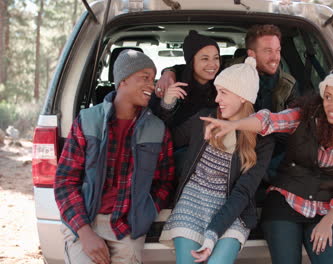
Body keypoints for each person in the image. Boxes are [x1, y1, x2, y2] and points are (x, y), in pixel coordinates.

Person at [201, 69, 333, 264]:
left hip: (323, 210)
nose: (332, 105)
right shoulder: (305, 116)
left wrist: (329, 221)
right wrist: (236, 125)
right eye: (328, 97)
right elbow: (269, 121)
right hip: (285, 201)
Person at [54, 49, 176, 264]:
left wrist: (146, 212)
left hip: (127, 227)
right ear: (122, 81)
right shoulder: (87, 121)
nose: (152, 85)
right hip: (85, 222)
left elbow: (165, 181)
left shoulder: (158, 130)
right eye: (144, 78)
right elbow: (65, 182)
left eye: (153, 78)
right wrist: (84, 231)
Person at [159, 57, 275, 264]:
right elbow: (167, 138)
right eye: (217, 91)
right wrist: (167, 104)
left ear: (242, 97)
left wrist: (213, 234)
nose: (216, 99)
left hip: (232, 208)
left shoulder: (263, 141)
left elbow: (243, 193)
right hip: (192, 201)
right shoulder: (204, 119)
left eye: (223, 93)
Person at [155, 24, 297, 113]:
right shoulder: (229, 70)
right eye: (268, 51)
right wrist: (169, 72)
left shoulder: (288, 84)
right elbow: (193, 69)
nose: (275, 57)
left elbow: (294, 120)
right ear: (251, 54)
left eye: (278, 50)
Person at [148, 30, 220, 129]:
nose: (213, 64)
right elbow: (156, 125)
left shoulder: (223, 81)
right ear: (191, 62)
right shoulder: (173, 83)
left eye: (216, 58)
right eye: (205, 59)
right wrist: (167, 103)